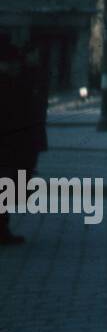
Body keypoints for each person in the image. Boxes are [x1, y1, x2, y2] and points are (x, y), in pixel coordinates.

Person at [0, 42, 49, 246]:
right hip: (8, 145)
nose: (14, 66)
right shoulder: (8, 83)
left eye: (16, 63)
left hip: (18, 144)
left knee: (12, 189)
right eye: (9, 63)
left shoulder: (19, 80)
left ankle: (2, 229)